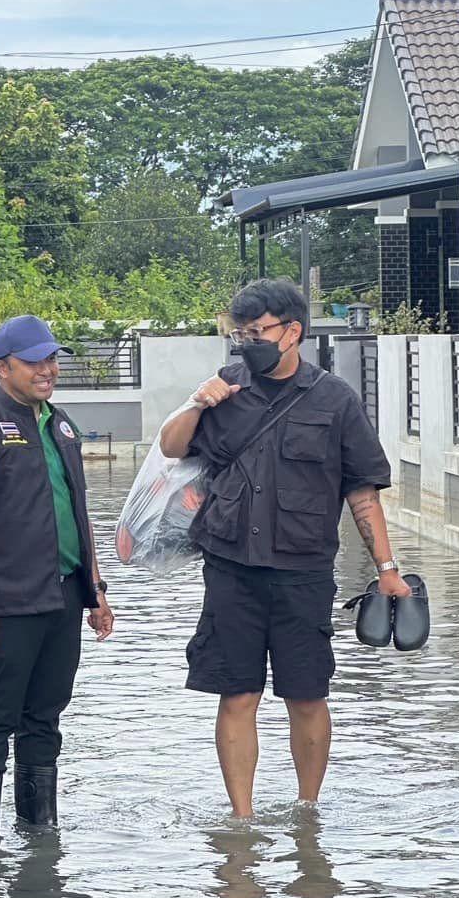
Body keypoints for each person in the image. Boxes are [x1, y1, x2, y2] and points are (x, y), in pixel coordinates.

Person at [160, 278, 411, 818]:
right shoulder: (226, 386)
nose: (246, 341)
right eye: (239, 333)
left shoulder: (336, 400)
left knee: (306, 693)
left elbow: (362, 493)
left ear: (292, 332)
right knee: (237, 692)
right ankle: (242, 818)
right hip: (231, 567)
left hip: (303, 571)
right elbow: (171, 446)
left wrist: (388, 569)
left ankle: (307, 810)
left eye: (257, 331)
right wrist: (198, 403)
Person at [0, 314, 114, 836]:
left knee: (46, 717)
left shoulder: (61, 425)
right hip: (6, 602)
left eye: (52, 359)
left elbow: (78, 514)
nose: (47, 370)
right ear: (2, 367)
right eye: (34, 361)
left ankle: (39, 830)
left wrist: (96, 592)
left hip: (63, 596)